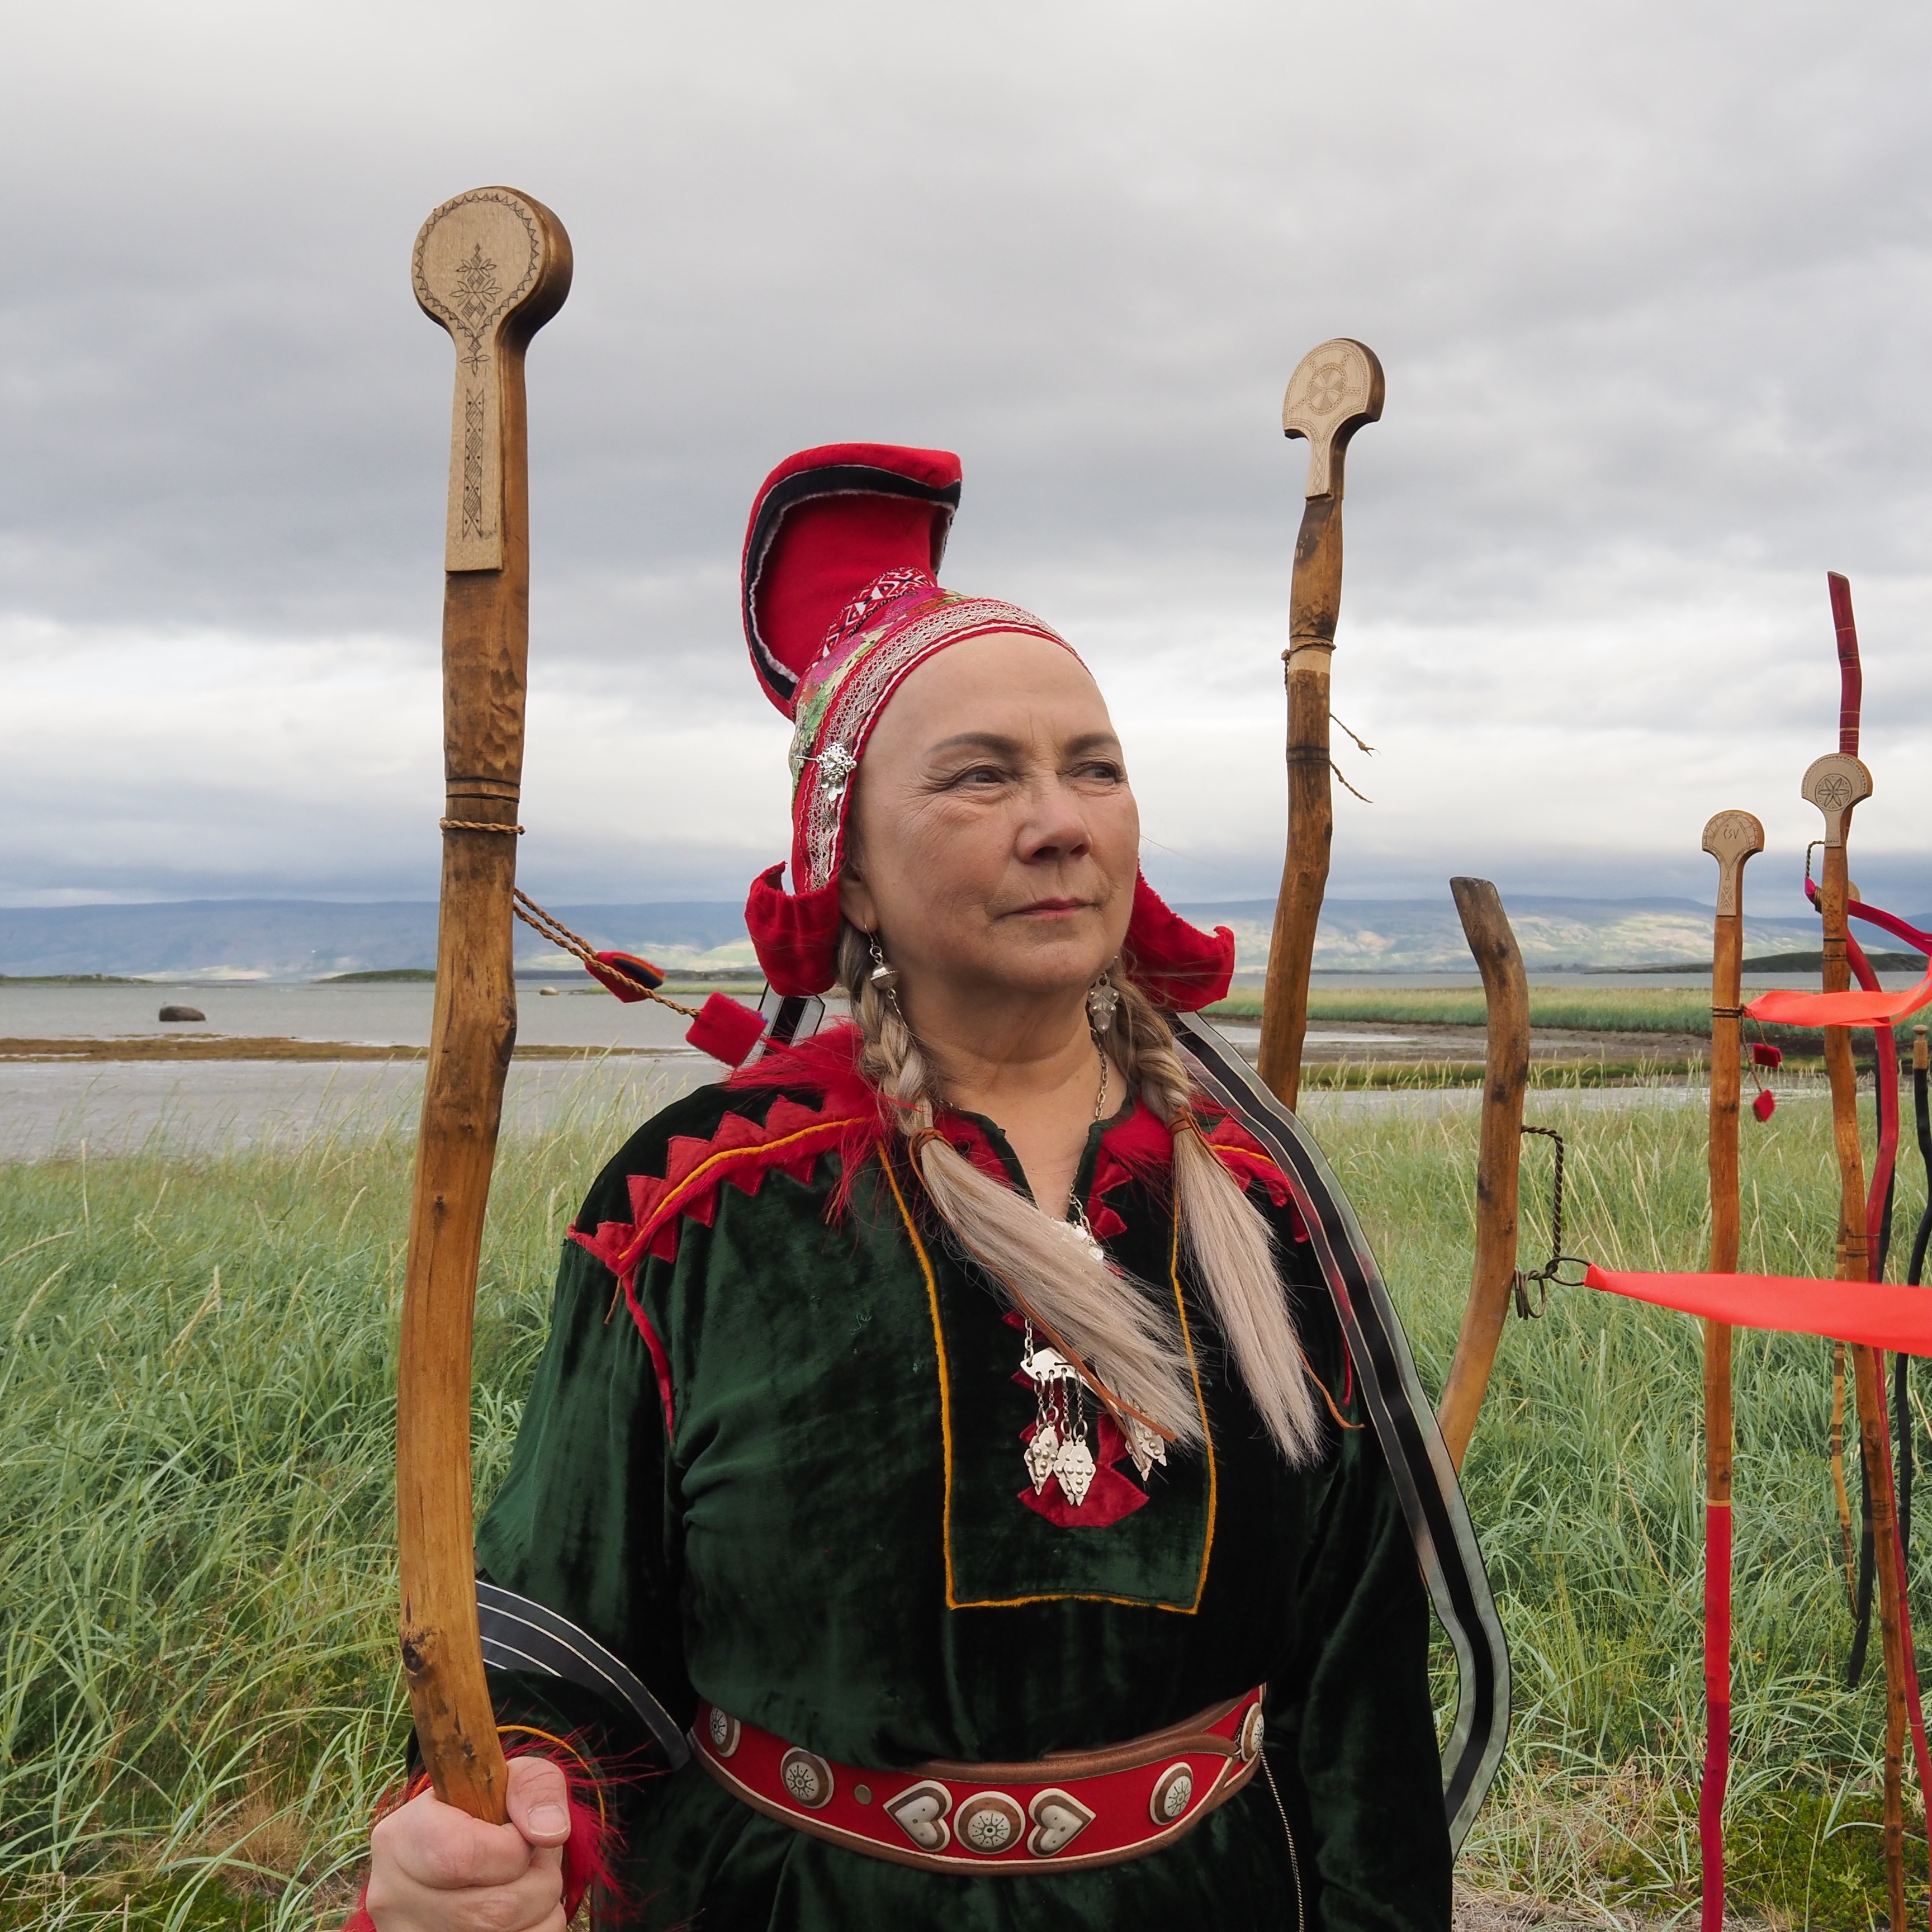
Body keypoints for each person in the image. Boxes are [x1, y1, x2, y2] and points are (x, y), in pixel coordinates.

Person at [356, 444, 1503, 1932]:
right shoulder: (702, 1202)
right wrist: (488, 1843)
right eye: (982, 776)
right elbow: (550, 1655)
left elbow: (1356, 1694)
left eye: (1094, 767)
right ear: (853, 867)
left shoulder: (1259, 1203)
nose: (1060, 820)